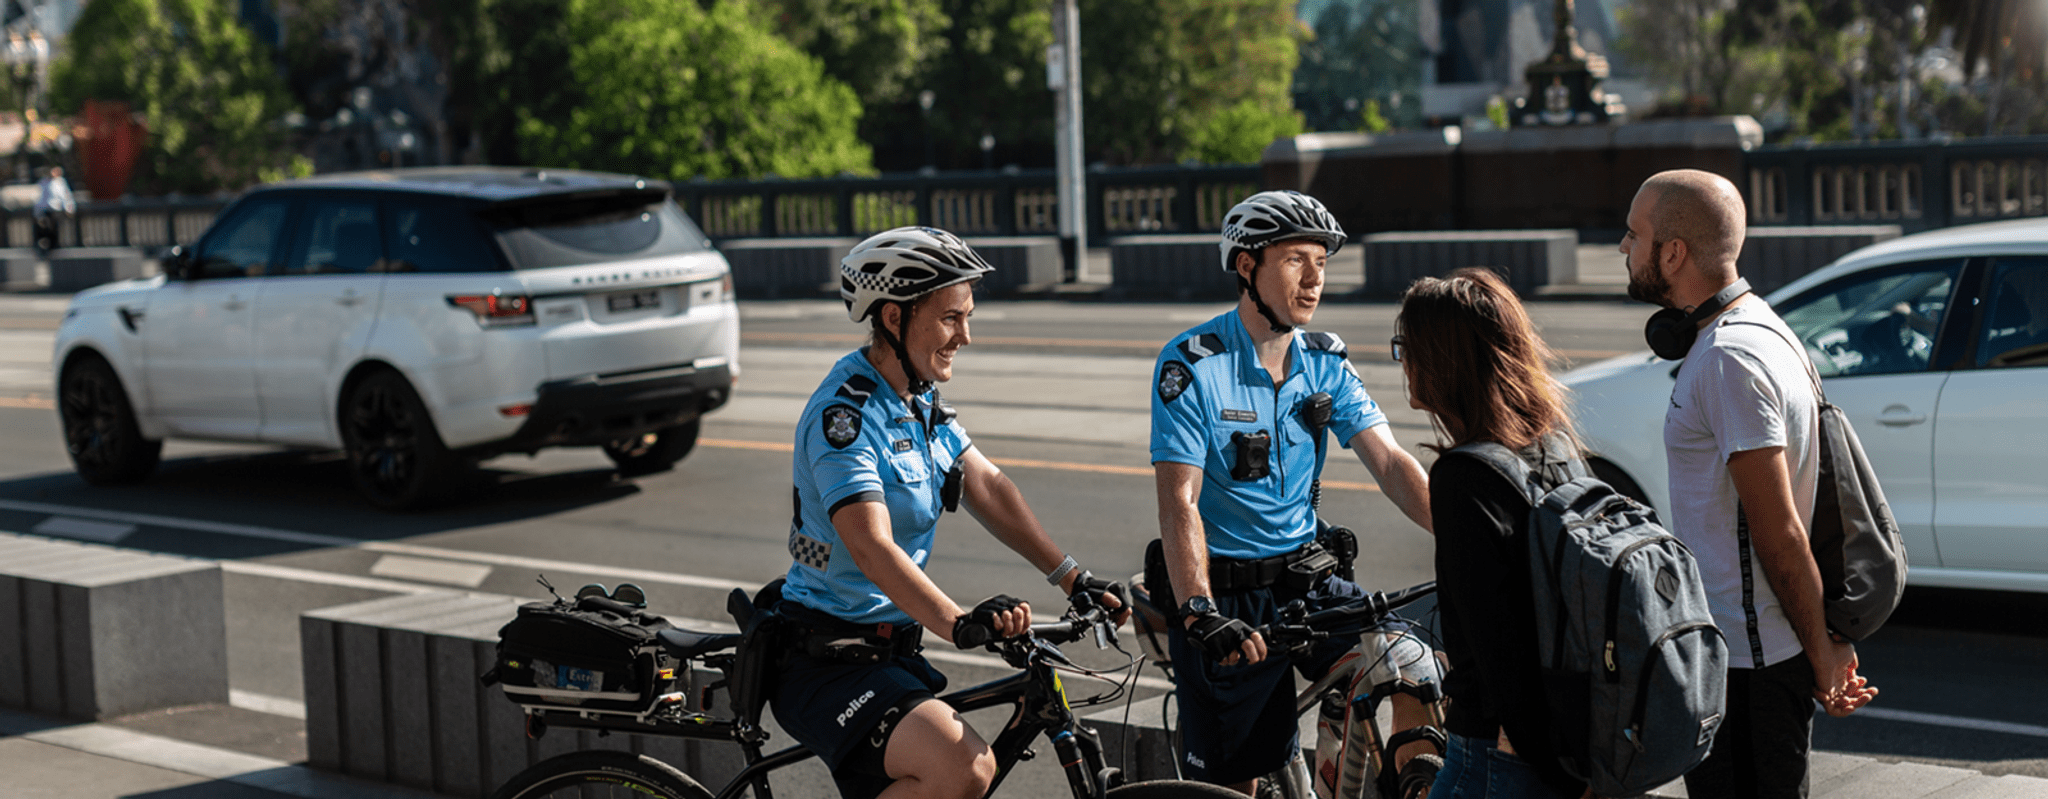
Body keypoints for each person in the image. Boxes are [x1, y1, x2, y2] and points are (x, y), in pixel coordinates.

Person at [775, 226, 1127, 799]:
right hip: (827, 660)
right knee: (963, 768)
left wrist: (1072, 577)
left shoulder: (918, 402)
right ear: (894, 317)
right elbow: (870, 547)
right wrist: (958, 623)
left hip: (892, 650)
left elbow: (988, 486)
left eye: (967, 317)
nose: (965, 335)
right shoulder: (845, 418)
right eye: (949, 318)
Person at [1150, 190, 1435, 796]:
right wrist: (1199, 611)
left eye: (1321, 262)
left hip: (1308, 584)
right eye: (1294, 260)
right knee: (1236, 785)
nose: (1314, 279)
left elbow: (1390, 462)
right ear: (1246, 266)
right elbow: (1179, 501)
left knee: (1412, 664)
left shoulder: (1325, 361)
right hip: (1227, 600)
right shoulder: (1193, 365)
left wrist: (1465, 534)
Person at [1620, 169, 1878, 799]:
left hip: (1745, 665)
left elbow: (1779, 531)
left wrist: (1822, 655)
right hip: (1749, 656)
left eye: (1634, 234)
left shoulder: (1726, 359)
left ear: (1673, 253)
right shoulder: (1761, 324)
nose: (1623, 246)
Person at [1396, 267, 1586, 799]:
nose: (1402, 362)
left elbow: (1499, 654)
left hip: (1497, 757)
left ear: (1440, 361)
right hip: (1574, 734)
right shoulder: (1554, 446)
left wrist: (1552, 770)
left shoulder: (1464, 478)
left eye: (1406, 348)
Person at [33, 165, 73, 253]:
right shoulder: (43, 182)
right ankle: (43, 245)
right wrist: (37, 211)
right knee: (43, 227)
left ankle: (54, 245)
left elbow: (66, 196)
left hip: (56, 208)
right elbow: (39, 197)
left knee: (54, 227)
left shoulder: (60, 183)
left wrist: (69, 208)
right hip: (44, 209)